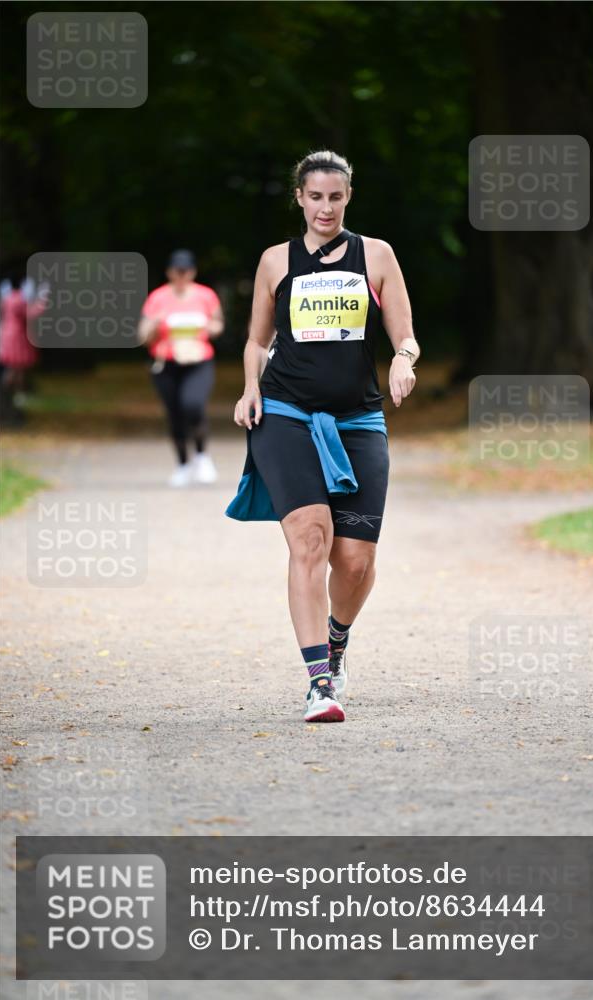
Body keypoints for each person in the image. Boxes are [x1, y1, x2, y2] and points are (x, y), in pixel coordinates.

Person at [226, 150, 419, 723]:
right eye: (315, 197)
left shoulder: (376, 255)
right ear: (300, 198)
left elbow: (407, 336)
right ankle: (318, 683)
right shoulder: (275, 261)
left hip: (358, 418)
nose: (325, 208)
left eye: (335, 197)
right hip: (285, 414)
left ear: (348, 197)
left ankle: (337, 641)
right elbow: (257, 341)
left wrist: (403, 360)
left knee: (355, 560)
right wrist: (250, 388)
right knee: (310, 539)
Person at [138, 249, 225, 487]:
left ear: (193, 272)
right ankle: (183, 464)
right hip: (166, 363)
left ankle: (202, 455)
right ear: (169, 273)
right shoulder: (158, 298)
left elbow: (218, 324)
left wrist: (210, 327)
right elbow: (143, 336)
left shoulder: (205, 295)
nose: (181, 276)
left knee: (193, 404)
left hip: (198, 360)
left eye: (186, 271)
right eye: (177, 271)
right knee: (174, 413)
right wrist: (154, 325)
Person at [0, 276, 48, 427]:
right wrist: (43, 298)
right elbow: (32, 313)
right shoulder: (19, 300)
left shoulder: (7, 298)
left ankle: (14, 393)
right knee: (17, 366)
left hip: (8, 335)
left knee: (14, 366)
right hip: (17, 336)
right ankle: (14, 394)